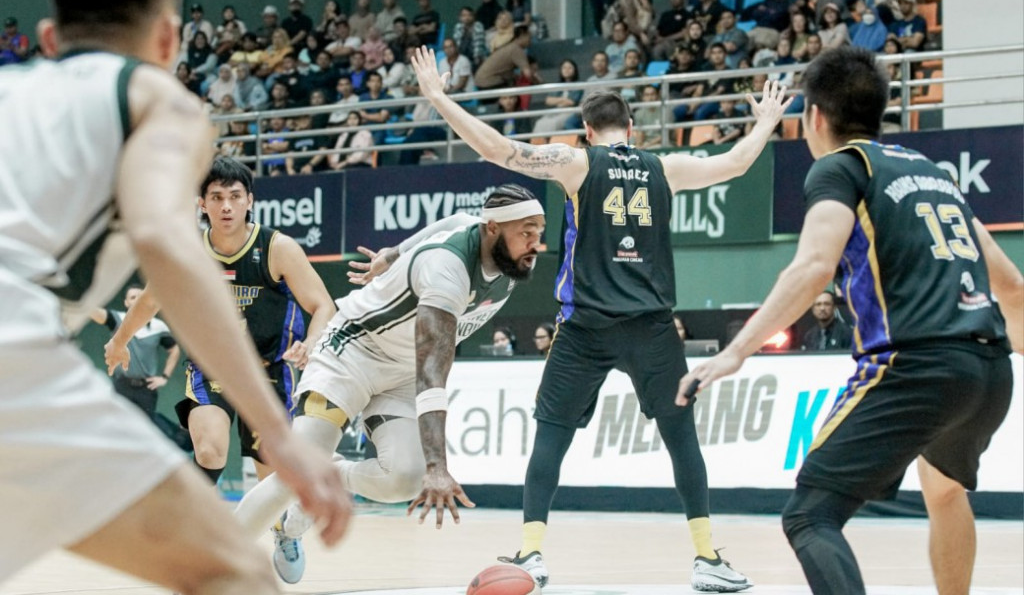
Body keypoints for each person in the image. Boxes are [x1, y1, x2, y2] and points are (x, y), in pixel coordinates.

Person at [0, 0, 349, 591]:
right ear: (168, 38)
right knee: (233, 574)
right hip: (13, 356)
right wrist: (283, 437)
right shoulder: (158, 99)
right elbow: (164, 240)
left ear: (49, 41)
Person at [411, 44, 792, 590]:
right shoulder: (665, 167)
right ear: (631, 128)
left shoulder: (576, 162)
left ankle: (532, 552)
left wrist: (440, 97)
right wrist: (766, 124)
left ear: (588, 129)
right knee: (682, 439)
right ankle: (708, 558)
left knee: (551, 436)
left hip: (586, 325)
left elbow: (499, 149)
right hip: (652, 327)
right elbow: (734, 163)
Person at [678, 46, 1022, 595]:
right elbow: (1010, 287)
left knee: (810, 514)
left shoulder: (840, 167)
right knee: (944, 490)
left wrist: (736, 350)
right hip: (988, 370)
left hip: (916, 367)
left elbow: (814, 264)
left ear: (814, 116)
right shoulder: (934, 174)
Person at [232, 186, 546, 582]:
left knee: (403, 478)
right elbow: (433, 372)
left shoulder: (500, 253)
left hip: (399, 374)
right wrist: (438, 465)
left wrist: (393, 254)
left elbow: (451, 220)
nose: (536, 242)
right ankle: (207, 567)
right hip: (352, 350)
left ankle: (296, 518)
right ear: (493, 228)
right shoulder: (446, 268)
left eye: (539, 231)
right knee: (296, 469)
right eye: (527, 231)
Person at [105, 158, 338, 583]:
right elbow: (150, 301)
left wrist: (312, 344)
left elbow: (323, 305)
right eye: (217, 197)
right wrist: (119, 340)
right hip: (214, 365)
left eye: (235, 196)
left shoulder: (278, 248)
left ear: (249, 200)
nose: (226, 205)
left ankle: (285, 531)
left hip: (271, 371)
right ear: (202, 204)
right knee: (210, 449)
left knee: (274, 479)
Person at [89, 285, 186, 449]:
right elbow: (100, 315)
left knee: (143, 434)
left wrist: (164, 377)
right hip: (122, 384)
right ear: (126, 302)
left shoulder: (158, 326)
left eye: (140, 297)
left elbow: (174, 349)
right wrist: (83, 305)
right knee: (116, 431)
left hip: (146, 388)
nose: (137, 300)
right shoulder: (118, 318)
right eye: (133, 297)